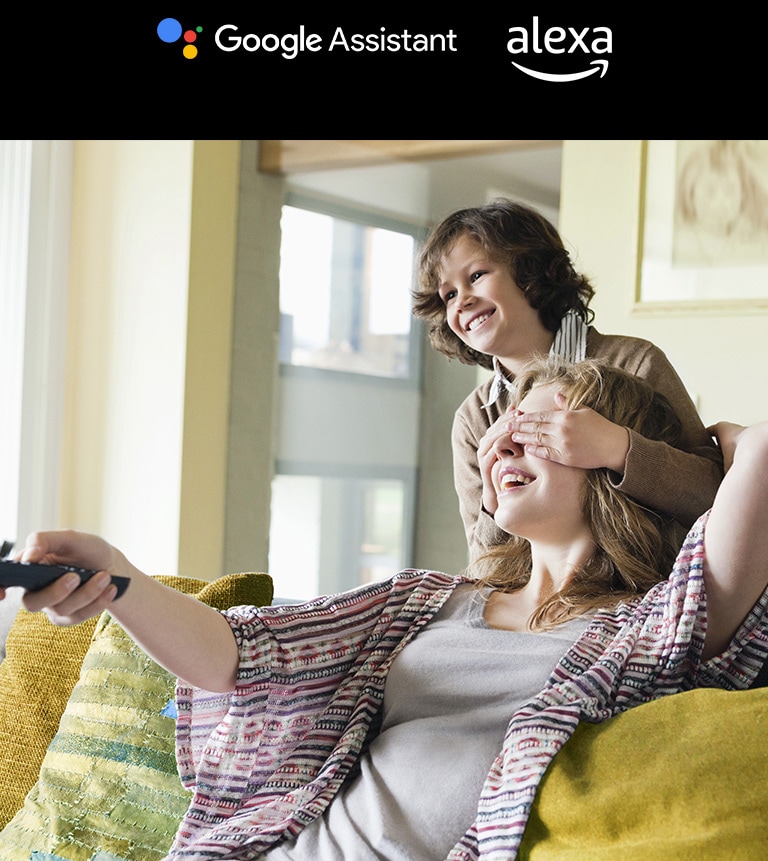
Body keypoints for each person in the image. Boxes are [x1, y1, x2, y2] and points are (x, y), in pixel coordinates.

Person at [6, 359, 768, 861]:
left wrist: (640, 450)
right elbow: (239, 656)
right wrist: (120, 577)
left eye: (541, 428)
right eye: (504, 427)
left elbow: (761, 454)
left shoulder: (650, 629)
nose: (504, 442)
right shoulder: (422, 601)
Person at [411, 199, 723, 561]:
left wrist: (618, 448)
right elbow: (484, 571)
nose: (461, 300)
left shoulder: (636, 361)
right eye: (448, 295)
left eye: (476, 276)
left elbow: (715, 495)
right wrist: (492, 505)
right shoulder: (473, 419)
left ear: (529, 272)